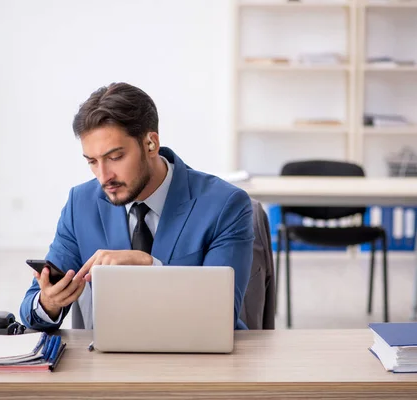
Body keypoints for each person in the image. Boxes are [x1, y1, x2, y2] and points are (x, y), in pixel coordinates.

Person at [19, 82, 254, 331]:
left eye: (115, 157)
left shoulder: (225, 205)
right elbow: (30, 308)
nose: (103, 176)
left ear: (151, 143)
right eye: (92, 161)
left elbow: (220, 314)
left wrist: (151, 267)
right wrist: (49, 302)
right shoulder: (81, 204)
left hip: (199, 360)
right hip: (110, 362)